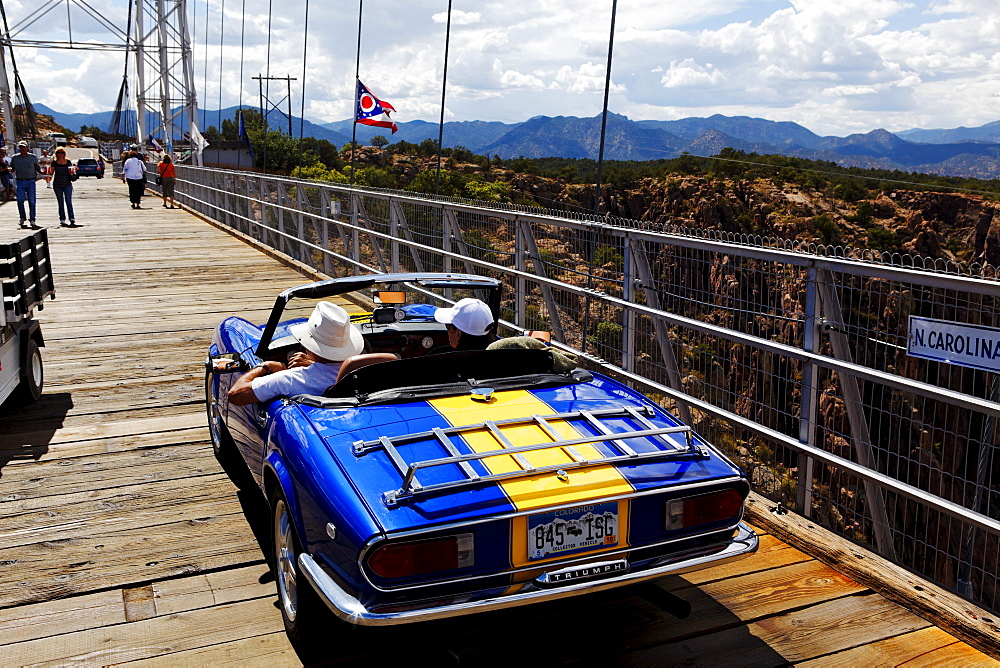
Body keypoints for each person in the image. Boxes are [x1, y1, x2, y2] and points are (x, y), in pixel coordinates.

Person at [228, 302, 364, 406]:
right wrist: (312, 364)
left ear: (308, 346)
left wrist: (266, 366)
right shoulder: (371, 371)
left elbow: (235, 395)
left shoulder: (291, 379)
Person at [9, 141, 43, 229]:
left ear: (27, 148)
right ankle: (22, 217)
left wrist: (45, 172)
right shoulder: (15, 158)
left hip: (31, 181)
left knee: (32, 201)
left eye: (24, 147)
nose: (22, 149)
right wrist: (7, 169)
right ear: (18, 148)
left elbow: (38, 168)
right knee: (20, 200)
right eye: (20, 147)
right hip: (20, 181)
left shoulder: (33, 157)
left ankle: (32, 219)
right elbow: (12, 169)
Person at [49, 147, 78, 227]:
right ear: (56, 154)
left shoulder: (68, 162)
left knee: (68, 201)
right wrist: (46, 174)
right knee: (60, 202)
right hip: (57, 184)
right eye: (58, 153)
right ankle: (62, 218)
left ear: (64, 154)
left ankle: (71, 218)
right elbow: (51, 173)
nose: (60, 154)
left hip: (67, 184)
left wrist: (73, 173)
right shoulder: (54, 162)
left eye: (62, 153)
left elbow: (71, 171)